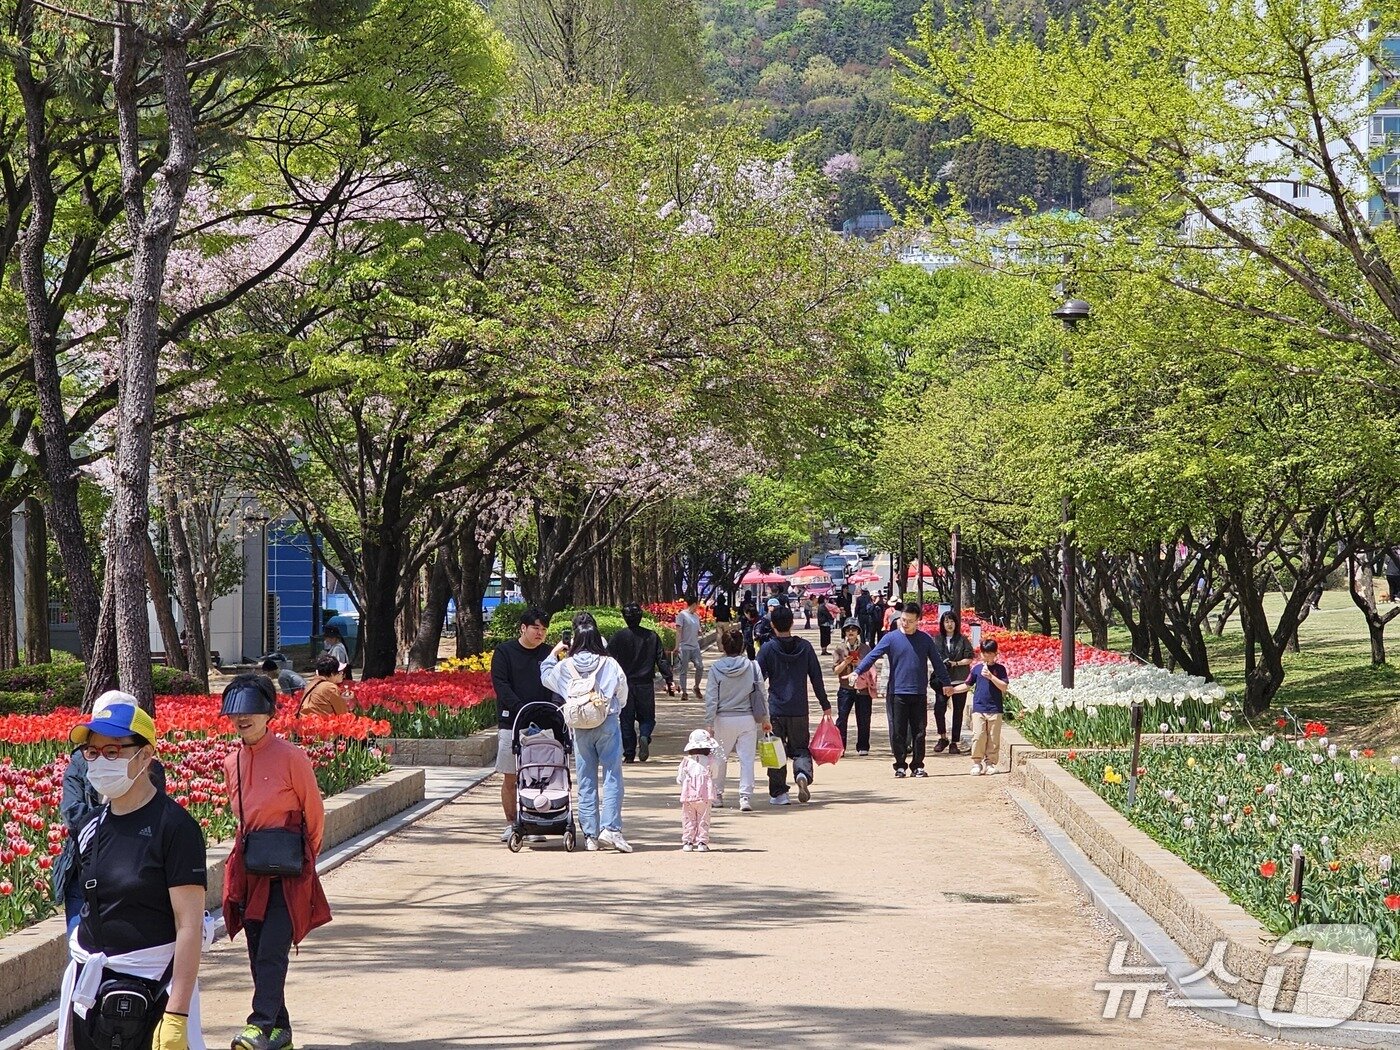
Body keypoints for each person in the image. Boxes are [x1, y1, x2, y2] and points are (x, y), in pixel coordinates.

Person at [58, 695, 206, 1050]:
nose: (99, 762)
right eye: (92, 752)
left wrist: (177, 1015)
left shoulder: (175, 827)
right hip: (91, 994)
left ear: (145, 754)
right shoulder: (92, 828)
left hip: (152, 993)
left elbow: (190, 925)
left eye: (113, 751)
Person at [221, 674, 330, 1050]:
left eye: (251, 709)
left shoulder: (292, 757)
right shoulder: (230, 761)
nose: (242, 718)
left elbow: (314, 815)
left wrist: (304, 861)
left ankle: (259, 1022)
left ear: (269, 713)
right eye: (235, 712)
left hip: (288, 871)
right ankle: (280, 1032)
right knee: (256, 951)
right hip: (251, 870)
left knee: (271, 950)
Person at [54, 734, 168, 935]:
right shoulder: (80, 762)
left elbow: (150, 819)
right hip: (82, 872)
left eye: (112, 751)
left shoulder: (150, 769)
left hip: (130, 875)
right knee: (79, 946)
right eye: (93, 750)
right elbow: (72, 814)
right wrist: (114, 819)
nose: (101, 757)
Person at [542, 614, 632, 852]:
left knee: (586, 780)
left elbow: (546, 678)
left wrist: (553, 654)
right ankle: (610, 830)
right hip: (607, 721)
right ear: (597, 639)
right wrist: (615, 709)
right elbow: (622, 691)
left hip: (580, 726)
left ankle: (590, 836)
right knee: (613, 775)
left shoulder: (565, 666)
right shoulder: (609, 663)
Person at [855, 602, 950, 779]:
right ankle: (900, 765)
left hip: (919, 692)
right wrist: (857, 671)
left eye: (909, 621)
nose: (905, 624)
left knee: (919, 731)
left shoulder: (925, 639)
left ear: (917, 621)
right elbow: (873, 655)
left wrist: (947, 683)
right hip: (897, 692)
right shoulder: (890, 638)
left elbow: (938, 663)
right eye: (903, 620)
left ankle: (917, 765)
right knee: (898, 731)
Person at [756, 605, 831, 805]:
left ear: (772, 625)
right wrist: (825, 703)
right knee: (800, 748)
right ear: (792, 623)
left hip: (775, 709)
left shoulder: (768, 648)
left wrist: (755, 706)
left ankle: (780, 793)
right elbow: (816, 677)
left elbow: (757, 679)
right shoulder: (805, 647)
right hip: (799, 708)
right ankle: (803, 775)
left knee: (776, 750)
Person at [490, 606, 552, 842]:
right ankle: (510, 823)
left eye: (544, 629)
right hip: (511, 722)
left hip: (544, 722)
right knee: (511, 776)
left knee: (540, 775)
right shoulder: (504, 652)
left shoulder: (548, 653)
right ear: (523, 628)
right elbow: (501, 684)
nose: (540, 633)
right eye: (535, 628)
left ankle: (535, 820)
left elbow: (555, 683)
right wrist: (519, 708)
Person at [704, 625, 770, 812]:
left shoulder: (716, 668)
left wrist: (709, 722)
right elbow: (761, 694)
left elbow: (711, 698)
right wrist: (765, 718)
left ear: (724, 647)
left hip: (723, 719)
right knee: (747, 759)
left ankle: (717, 795)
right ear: (742, 646)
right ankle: (745, 797)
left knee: (719, 758)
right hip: (747, 719)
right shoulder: (753, 666)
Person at [608, 602, 675, 763]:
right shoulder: (652, 636)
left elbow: (608, 660)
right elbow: (662, 660)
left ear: (624, 617)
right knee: (648, 718)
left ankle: (629, 754)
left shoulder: (618, 637)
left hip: (624, 686)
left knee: (626, 719)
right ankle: (644, 735)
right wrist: (669, 680)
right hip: (645, 684)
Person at [958, 639, 1010, 776]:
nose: (986, 656)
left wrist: (991, 676)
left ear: (995, 654)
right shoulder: (976, 669)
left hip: (995, 708)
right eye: (984, 653)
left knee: (993, 737)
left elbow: (1004, 687)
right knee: (979, 735)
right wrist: (953, 690)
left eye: (989, 654)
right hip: (979, 708)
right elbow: (967, 684)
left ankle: (990, 763)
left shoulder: (1000, 669)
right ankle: (977, 762)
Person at [931, 610, 975, 756]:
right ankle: (942, 737)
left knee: (958, 711)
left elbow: (969, 658)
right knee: (939, 709)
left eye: (951, 621)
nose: (949, 624)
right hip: (943, 681)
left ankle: (954, 742)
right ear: (942, 624)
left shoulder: (963, 640)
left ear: (956, 623)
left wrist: (955, 663)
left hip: (959, 680)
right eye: (946, 621)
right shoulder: (937, 640)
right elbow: (933, 656)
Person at [833, 618, 878, 755]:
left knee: (864, 718)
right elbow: (835, 670)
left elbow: (871, 668)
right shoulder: (840, 648)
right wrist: (845, 662)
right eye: (848, 629)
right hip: (846, 688)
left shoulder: (865, 648)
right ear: (844, 632)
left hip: (862, 688)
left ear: (858, 631)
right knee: (842, 718)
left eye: (853, 629)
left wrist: (860, 663)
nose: (851, 631)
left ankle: (863, 746)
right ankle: (841, 746)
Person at [676, 729, 720, 852]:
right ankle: (702, 842)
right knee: (704, 819)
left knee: (688, 818)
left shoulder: (685, 762)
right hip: (705, 796)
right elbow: (714, 775)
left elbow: (680, 779)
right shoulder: (711, 761)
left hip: (688, 796)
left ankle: (688, 842)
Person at [674, 597, 705, 700]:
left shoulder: (696, 616)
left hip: (695, 646)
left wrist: (700, 632)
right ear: (694, 604)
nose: (698, 606)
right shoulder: (682, 615)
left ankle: (696, 686)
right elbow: (678, 631)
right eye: (697, 604)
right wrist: (677, 646)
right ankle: (684, 692)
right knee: (684, 670)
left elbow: (698, 629)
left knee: (700, 666)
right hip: (685, 647)